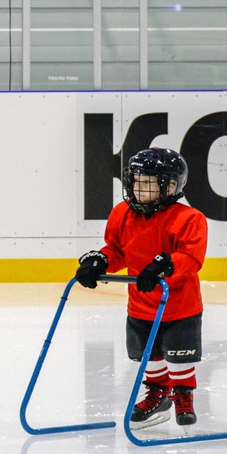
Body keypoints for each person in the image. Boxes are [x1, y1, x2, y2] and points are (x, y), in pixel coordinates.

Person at [74, 147, 207, 429]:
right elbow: (117, 250)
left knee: (179, 358)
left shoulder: (189, 218)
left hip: (179, 306)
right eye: (137, 180)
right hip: (140, 305)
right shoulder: (122, 213)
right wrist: (100, 260)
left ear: (171, 186)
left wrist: (165, 265)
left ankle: (183, 395)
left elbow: (191, 258)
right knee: (149, 357)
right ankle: (159, 395)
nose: (139, 187)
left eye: (148, 182)